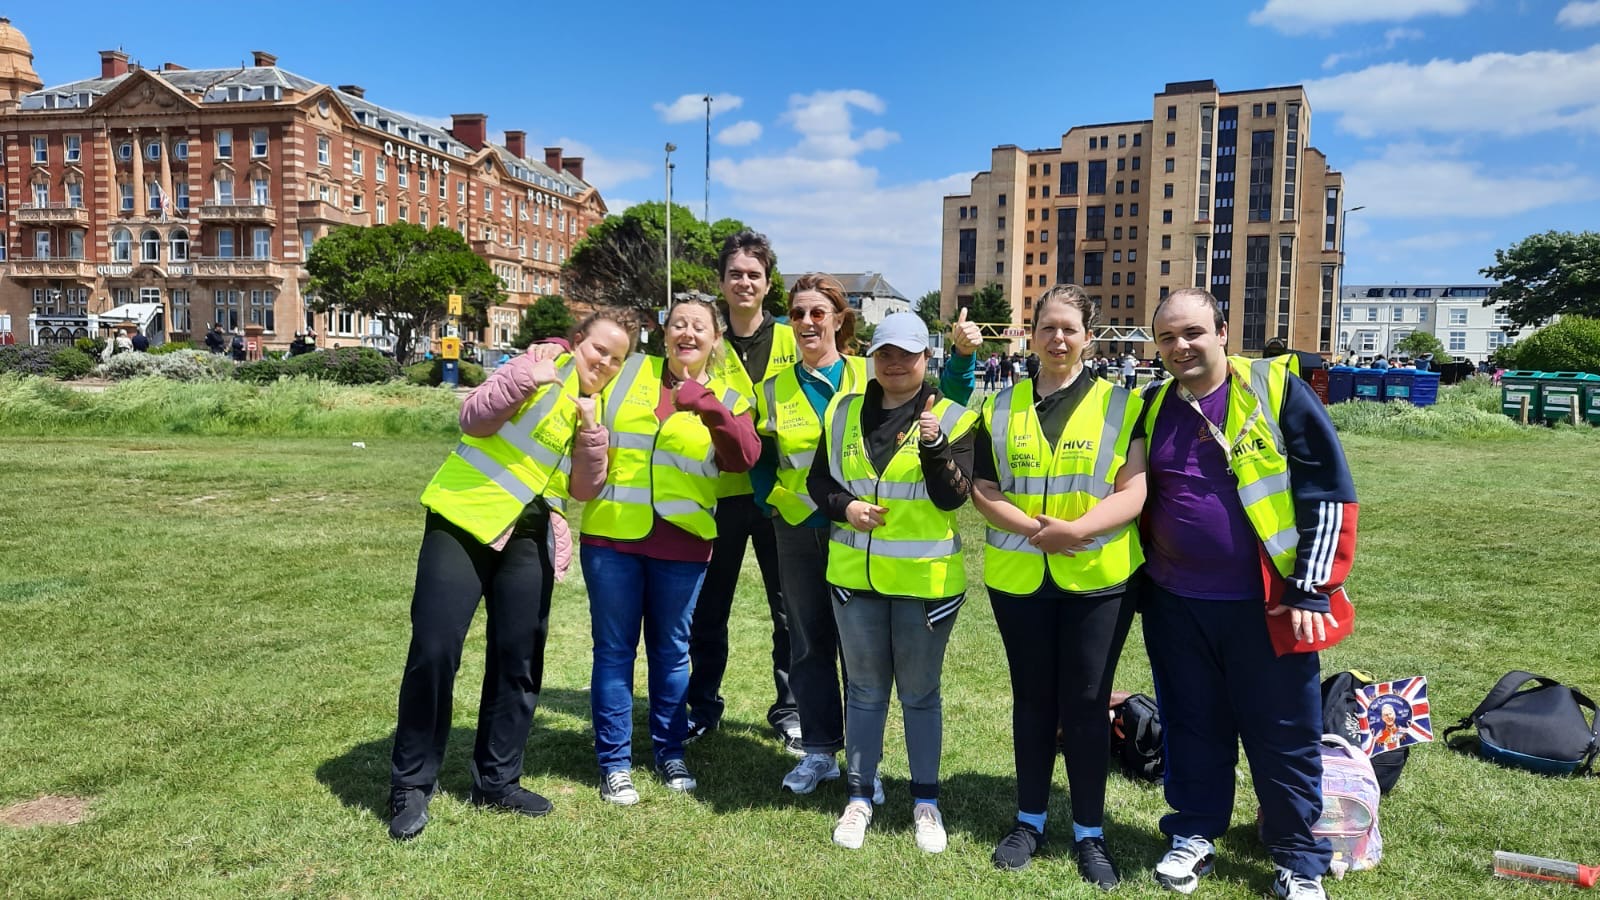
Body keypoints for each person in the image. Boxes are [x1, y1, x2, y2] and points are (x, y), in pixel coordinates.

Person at [1138, 288, 1358, 900]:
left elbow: (1330, 493)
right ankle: (1195, 832)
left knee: (1282, 732)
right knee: (1190, 723)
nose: (1180, 347)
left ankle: (1298, 859)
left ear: (1223, 331)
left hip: (1270, 603)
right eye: (1167, 338)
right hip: (1175, 601)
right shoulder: (1154, 403)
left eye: (1193, 333)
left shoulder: (1276, 389)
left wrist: (1311, 590)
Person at [387, 313, 634, 841]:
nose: (604, 363)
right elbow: (472, 417)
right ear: (577, 343)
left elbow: (585, 490)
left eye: (615, 359)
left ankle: (498, 781)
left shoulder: (598, 407)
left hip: (529, 534)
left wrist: (593, 433)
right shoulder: (536, 364)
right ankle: (410, 784)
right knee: (434, 649)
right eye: (598, 350)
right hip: (463, 516)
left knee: (518, 656)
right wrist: (527, 381)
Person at [972, 285, 1147, 888]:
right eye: (1047, 327)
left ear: (1088, 338)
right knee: (1032, 701)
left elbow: (1135, 488)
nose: (1058, 338)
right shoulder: (999, 404)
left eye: (1070, 328)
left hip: (1098, 577)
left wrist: (1074, 531)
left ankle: (1090, 832)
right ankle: (1029, 819)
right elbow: (983, 487)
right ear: (1031, 334)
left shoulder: (1122, 404)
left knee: (1087, 702)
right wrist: (1033, 530)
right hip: (1019, 575)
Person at [807, 312, 977, 854]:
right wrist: (846, 506)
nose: (895, 363)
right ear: (871, 357)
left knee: (920, 695)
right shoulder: (842, 410)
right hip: (853, 579)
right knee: (863, 690)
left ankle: (925, 801)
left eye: (908, 353)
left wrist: (933, 446)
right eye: (885, 353)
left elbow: (954, 498)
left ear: (927, 358)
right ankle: (859, 796)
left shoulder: (953, 414)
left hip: (925, 583)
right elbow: (819, 480)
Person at [582, 297, 760, 805]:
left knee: (671, 651)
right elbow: (582, 366)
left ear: (715, 339)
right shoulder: (628, 370)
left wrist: (705, 404)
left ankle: (670, 750)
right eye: (678, 323)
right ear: (663, 332)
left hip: (683, 545)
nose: (687, 333)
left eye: (699, 326)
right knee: (613, 652)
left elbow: (743, 456)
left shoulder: (726, 392)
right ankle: (615, 762)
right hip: (612, 537)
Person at [684, 229, 802, 754]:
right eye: (735, 274)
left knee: (789, 608)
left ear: (768, 283)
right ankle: (702, 705)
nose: (744, 282)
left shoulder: (792, 338)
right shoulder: (707, 339)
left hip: (781, 496)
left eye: (754, 274)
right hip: (722, 492)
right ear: (722, 282)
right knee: (710, 605)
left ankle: (792, 709)